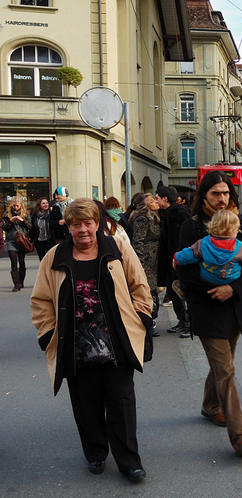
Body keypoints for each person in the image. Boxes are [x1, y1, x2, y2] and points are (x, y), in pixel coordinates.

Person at [30, 198, 152, 483]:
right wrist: (48, 333)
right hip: (75, 343)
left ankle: (129, 461)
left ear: (98, 224)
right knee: (86, 404)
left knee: (121, 403)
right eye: (76, 224)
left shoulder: (116, 248)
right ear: (68, 226)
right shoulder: (55, 257)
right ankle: (95, 452)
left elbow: (139, 284)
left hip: (116, 341)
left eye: (88, 223)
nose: (83, 229)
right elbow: (40, 301)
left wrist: (142, 317)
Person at [175, 170, 242, 458]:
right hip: (207, 308)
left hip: (236, 307)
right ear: (205, 195)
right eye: (216, 193)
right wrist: (216, 288)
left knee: (223, 364)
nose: (222, 198)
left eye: (226, 193)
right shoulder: (192, 227)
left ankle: (210, 405)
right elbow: (183, 269)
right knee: (225, 369)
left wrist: (233, 289)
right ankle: (241, 436)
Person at [174, 209, 242, 285]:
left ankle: (182, 287)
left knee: (189, 274)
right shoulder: (240, 247)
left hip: (207, 279)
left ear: (212, 227)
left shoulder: (203, 243)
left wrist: (177, 258)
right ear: (234, 230)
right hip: (231, 279)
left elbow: (189, 254)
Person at [156, 186, 191, 335]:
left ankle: (187, 323)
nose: (156, 200)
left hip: (178, 261)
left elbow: (180, 239)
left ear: (165, 198)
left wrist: (177, 258)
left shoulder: (179, 213)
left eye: (157, 197)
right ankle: (183, 321)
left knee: (179, 291)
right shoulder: (169, 213)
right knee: (173, 290)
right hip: (172, 259)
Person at [129, 193, 161, 336]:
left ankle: (150, 322)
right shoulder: (143, 218)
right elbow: (138, 242)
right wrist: (140, 262)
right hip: (146, 260)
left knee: (152, 291)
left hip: (153, 259)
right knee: (147, 292)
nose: (156, 201)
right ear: (146, 203)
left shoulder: (153, 216)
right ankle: (148, 323)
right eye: (152, 199)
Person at [2, 196, 32, 291]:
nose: (15, 207)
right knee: (14, 263)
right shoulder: (7, 214)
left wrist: (22, 220)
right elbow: (4, 227)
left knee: (22, 262)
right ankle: (16, 284)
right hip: (11, 240)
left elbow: (30, 226)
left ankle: (21, 281)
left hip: (22, 240)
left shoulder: (25, 213)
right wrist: (10, 221)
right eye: (14, 205)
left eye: (17, 205)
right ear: (11, 205)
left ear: (21, 205)